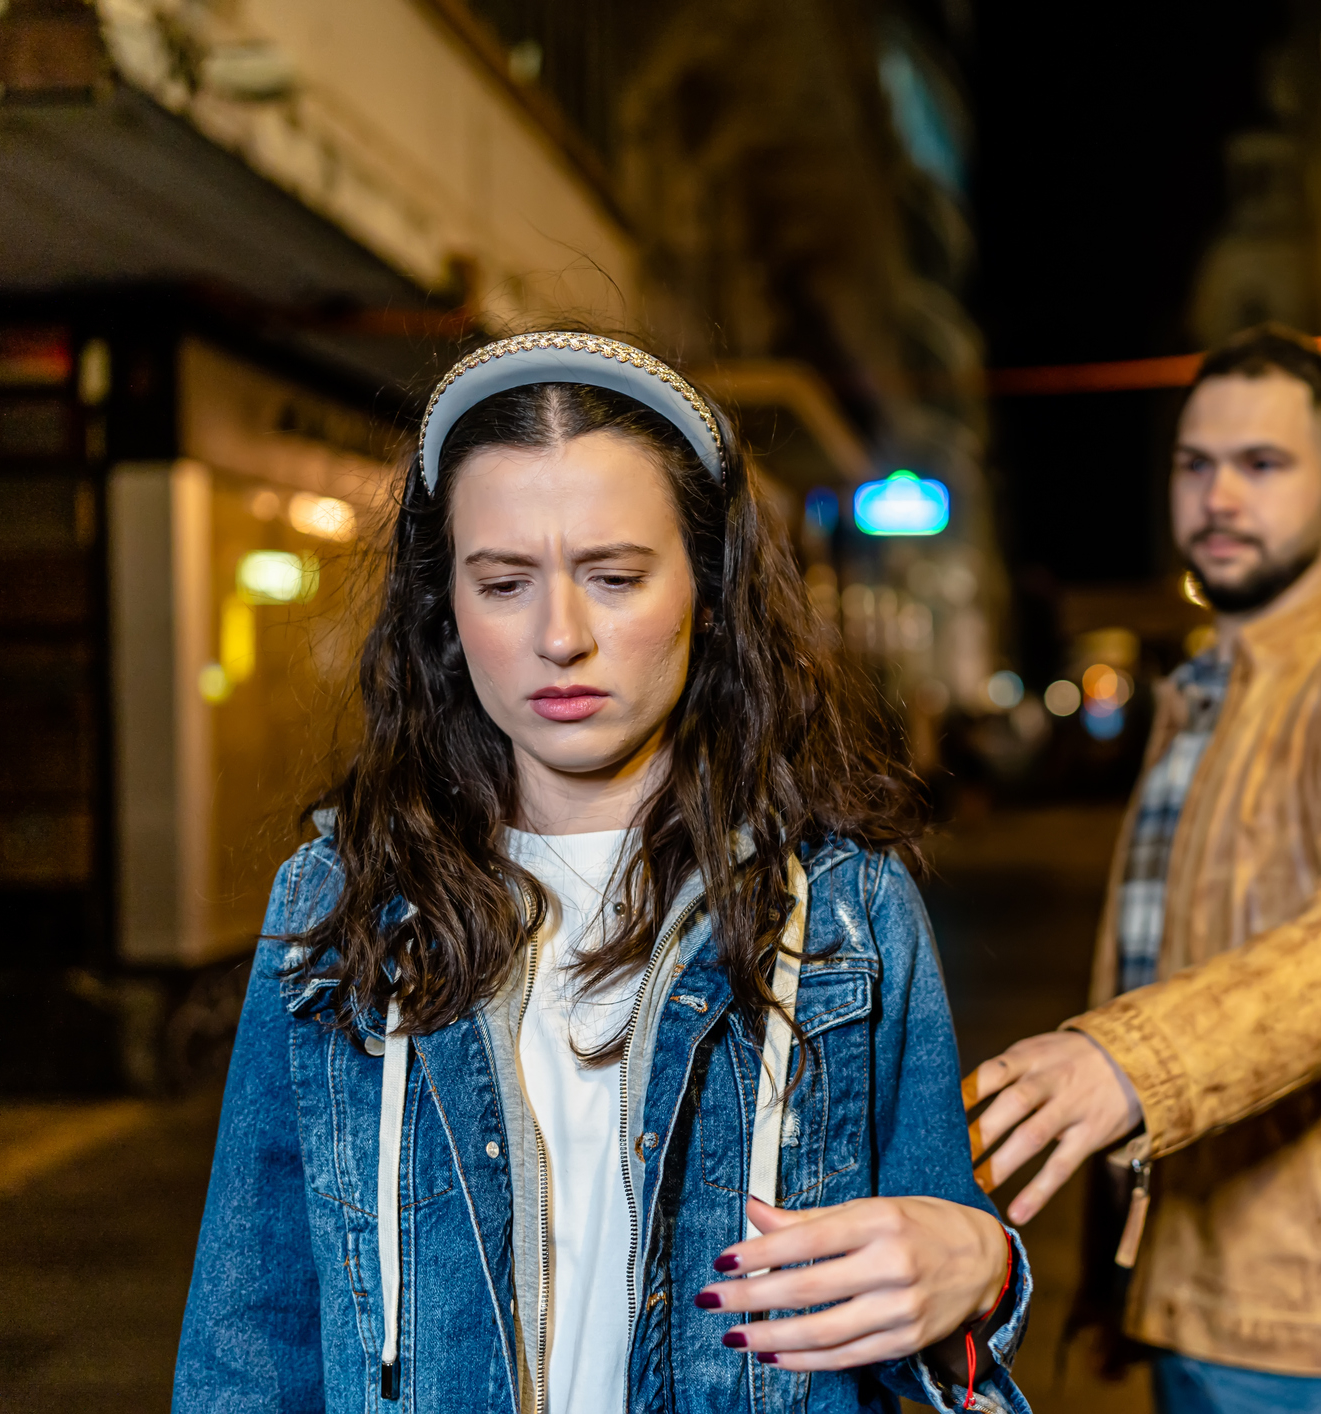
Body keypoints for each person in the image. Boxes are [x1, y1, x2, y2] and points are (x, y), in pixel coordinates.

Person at [174, 331, 1032, 1414]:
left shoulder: (849, 911)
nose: (560, 636)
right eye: (504, 582)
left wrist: (986, 1273)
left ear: (708, 591)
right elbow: (249, 1343)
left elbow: (930, 1336)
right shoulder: (338, 901)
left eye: (614, 576)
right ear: (447, 610)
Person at [966, 325, 1321, 1413]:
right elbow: (1155, 959)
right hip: (1207, 1297)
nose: (1219, 494)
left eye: (1261, 464)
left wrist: (1129, 1062)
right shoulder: (1200, 697)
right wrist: (1122, 1276)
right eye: (1195, 464)